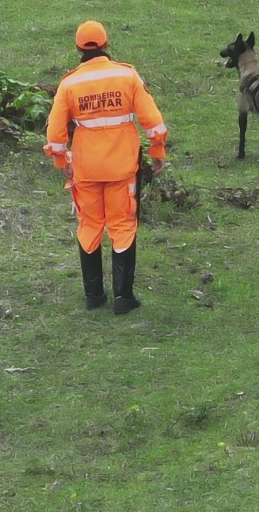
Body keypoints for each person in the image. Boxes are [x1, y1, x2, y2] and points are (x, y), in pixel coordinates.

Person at [45, 20, 167, 314]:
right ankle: (123, 298)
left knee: (89, 225)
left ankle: (94, 295)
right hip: (122, 168)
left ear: (78, 48)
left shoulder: (69, 84)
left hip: (86, 169)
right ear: (106, 44)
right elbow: (152, 119)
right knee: (122, 226)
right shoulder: (127, 75)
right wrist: (157, 150)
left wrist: (62, 162)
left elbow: (55, 133)